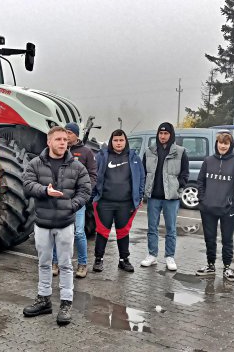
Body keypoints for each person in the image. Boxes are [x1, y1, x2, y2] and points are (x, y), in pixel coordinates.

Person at [22, 126, 91, 326]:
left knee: (65, 264)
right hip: (42, 223)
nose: (63, 142)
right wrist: (44, 190)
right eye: (59, 139)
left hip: (65, 223)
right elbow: (26, 185)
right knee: (43, 263)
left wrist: (72, 205)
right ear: (49, 142)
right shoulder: (35, 164)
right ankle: (44, 300)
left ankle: (66, 304)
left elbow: (85, 190)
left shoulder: (77, 166)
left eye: (65, 139)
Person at [91, 129, 145, 273]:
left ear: (125, 141)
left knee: (123, 232)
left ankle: (123, 260)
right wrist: (94, 195)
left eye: (121, 140)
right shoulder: (102, 156)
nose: (119, 143)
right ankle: (98, 259)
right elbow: (93, 176)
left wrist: (139, 196)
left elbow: (141, 177)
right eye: (116, 140)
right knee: (102, 232)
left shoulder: (134, 157)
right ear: (111, 141)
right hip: (104, 202)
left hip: (125, 203)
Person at [196, 131, 234, 282]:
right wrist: (202, 200)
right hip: (208, 209)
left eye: (226, 143)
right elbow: (200, 183)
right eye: (220, 142)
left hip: (227, 210)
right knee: (209, 239)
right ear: (216, 143)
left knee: (227, 240)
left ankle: (227, 268)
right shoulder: (208, 161)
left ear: (230, 145)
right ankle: (210, 266)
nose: (222, 146)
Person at [140, 122, 189, 271]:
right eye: (160, 133)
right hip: (154, 197)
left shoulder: (180, 152)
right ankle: (152, 255)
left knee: (171, 228)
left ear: (171, 134)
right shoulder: (149, 151)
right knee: (152, 227)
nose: (163, 136)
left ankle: (170, 256)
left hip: (171, 198)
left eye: (166, 133)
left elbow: (185, 174)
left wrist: (178, 186)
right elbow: (143, 173)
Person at [51, 122, 97, 278]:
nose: (67, 136)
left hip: (77, 200)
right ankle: (55, 263)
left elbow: (92, 175)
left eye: (69, 133)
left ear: (76, 135)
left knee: (78, 232)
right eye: (65, 133)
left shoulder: (86, 153)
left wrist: (84, 193)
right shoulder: (58, 151)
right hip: (60, 198)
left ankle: (82, 265)